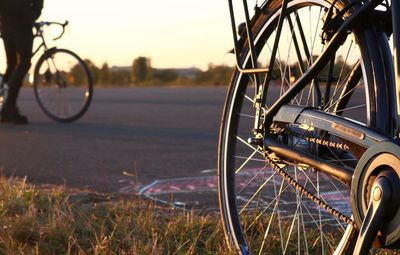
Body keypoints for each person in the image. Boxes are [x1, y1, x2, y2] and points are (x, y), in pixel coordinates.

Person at [0, 0, 44, 124]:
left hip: (5, 23)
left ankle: (6, 107)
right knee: (24, 63)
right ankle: (9, 107)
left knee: (12, 63)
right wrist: (32, 15)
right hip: (21, 23)